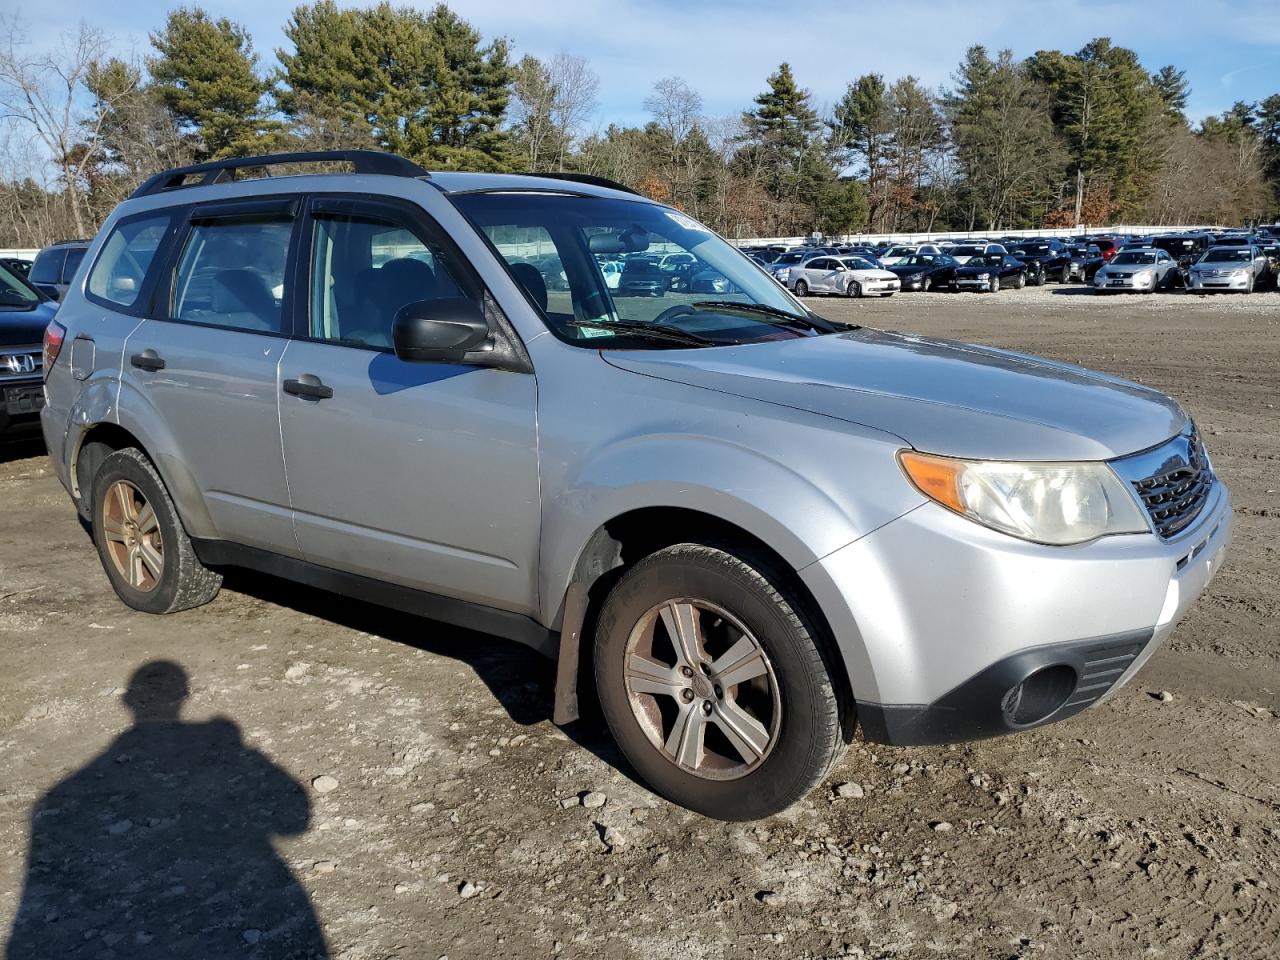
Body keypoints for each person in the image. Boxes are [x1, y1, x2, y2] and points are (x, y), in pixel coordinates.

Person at [6, 660, 327, 959]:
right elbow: (295, 821)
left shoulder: (57, 798)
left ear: (128, 702)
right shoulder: (225, 748)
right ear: (183, 695)